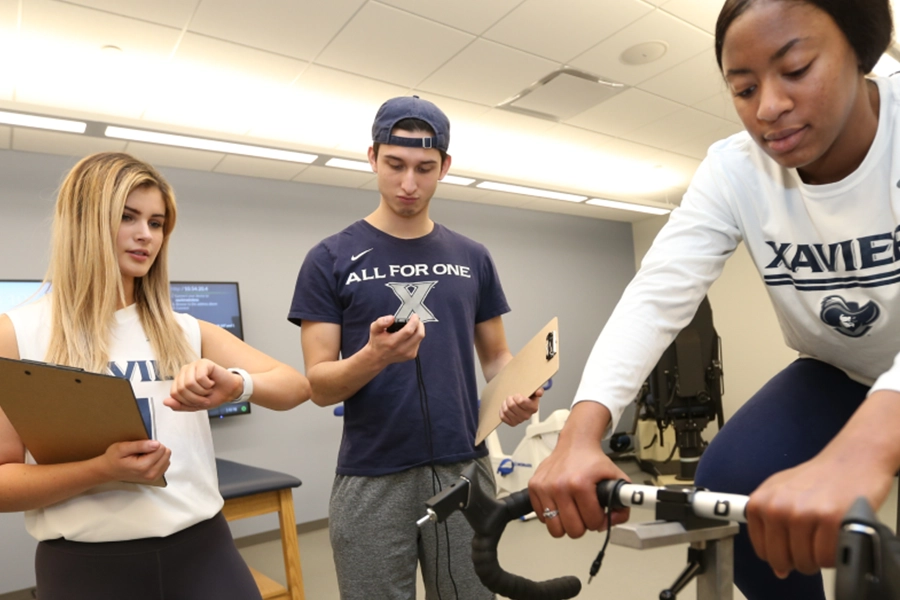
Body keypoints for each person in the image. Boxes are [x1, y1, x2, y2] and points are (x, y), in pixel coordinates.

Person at [527, 1, 899, 599]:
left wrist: (868, 447)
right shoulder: (735, 169)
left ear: (863, 52)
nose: (768, 107)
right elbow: (655, 297)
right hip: (840, 371)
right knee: (729, 491)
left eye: (797, 68)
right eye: (744, 88)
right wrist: (579, 434)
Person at [0, 152, 311, 600]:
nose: (146, 235)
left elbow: (294, 387)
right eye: (128, 217)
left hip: (203, 552)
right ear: (85, 221)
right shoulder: (18, 335)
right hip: (87, 570)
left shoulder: (183, 329)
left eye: (157, 222)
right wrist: (99, 471)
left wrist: (237, 384)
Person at [288, 96, 543, 599]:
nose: (409, 184)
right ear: (371, 157)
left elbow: (496, 356)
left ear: (445, 166)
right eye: (395, 165)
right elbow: (318, 385)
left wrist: (520, 390)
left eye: (425, 168)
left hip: (463, 466)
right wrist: (373, 357)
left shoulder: (472, 257)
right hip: (373, 474)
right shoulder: (330, 258)